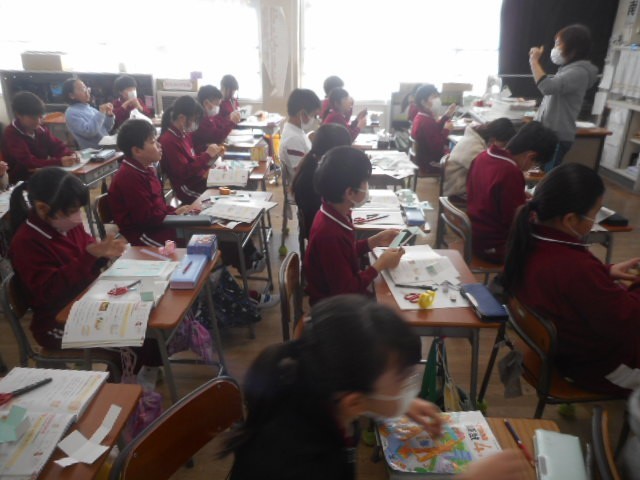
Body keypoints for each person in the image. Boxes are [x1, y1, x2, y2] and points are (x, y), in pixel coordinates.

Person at [222, 294, 524, 480]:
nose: (408, 386)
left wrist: (400, 402)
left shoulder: (309, 388)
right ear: (354, 402)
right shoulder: (307, 466)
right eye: (401, 380)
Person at [503, 163, 640, 394]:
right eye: (594, 214)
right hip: (598, 368)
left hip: (565, 353)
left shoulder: (530, 238)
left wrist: (605, 272)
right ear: (570, 220)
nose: (594, 221)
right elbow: (630, 323)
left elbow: (567, 285)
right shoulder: (575, 267)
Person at [304, 146, 404, 305]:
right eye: (365, 182)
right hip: (334, 308)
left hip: (342, 296)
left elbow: (344, 254)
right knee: (394, 305)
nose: (367, 186)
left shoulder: (333, 212)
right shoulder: (329, 234)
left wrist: (374, 241)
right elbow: (346, 290)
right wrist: (379, 265)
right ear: (349, 192)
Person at [466, 121, 557, 264]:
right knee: (554, 249)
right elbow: (515, 221)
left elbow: (486, 194)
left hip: (474, 235)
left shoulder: (483, 156)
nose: (533, 167)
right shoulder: (510, 172)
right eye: (536, 164)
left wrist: (518, 195)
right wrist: (534, 210)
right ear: (530, 156)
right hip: (495, 245)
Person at [109, 119, 200, 247]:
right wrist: (174, 214)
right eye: (153, 142)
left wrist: (177, 211)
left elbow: (158, 206)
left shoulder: (147, 168)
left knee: (199, 230)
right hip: (144, 235)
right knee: (195, 243)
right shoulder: (129, 177)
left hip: (158, 225)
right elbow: (147, 219)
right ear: (137, 151)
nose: (159, 145)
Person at [529, 24, 598, 171]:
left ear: (574, 47)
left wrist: (534, 61)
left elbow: (547, 87)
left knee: (546, 176)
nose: (555, 48)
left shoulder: (578, 72)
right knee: (538, 174)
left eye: (558, 44)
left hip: (557, 137)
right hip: (548, 134)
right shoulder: (567, 70)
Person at [158, 95, 223, 204]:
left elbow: (192, 159)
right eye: (194, 119)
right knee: (219, 199)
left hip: (197, 180)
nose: (195, 123)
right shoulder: (168, 141)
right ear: (182, 118)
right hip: (187, 189)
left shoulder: (184, 134)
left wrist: (209, 155)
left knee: (228, 189)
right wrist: (207, 155)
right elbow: (184, 173)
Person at [292, 123, 352, 240]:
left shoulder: (314, 164)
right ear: (334, 152)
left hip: (324, 229)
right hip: (325, 235)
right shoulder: (316, 179)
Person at [1, 91, 77, 183]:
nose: (38, 121)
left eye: (40, 117)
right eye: (33, 118)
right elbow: (28, 162)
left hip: (42, 175)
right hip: (21, 180)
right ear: (19, 115)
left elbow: (57, 147)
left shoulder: (40, 129)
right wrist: (59, 162)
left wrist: (70, 155)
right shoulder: (11, 133)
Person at [443, 118, 516, 200]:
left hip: (461, 185)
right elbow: (487, 176)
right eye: (504, 144)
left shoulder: (477, 140)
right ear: (494, 139)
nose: (504, 148)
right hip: (457, 191)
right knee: (503, 198)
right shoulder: (473, 147)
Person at [410, 84, 457, 175]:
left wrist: (446, 116)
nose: (437, 100)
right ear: (423, 102)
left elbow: (433, 131)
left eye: (437, 96)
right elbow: (438, 147)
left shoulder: (422, 116)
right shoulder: (425, 121)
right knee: (459, 164)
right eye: (433, 97)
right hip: (430, 164)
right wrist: (446, 130)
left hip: (426, 160)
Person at [279, 88, 322, 181]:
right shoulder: (293, 139)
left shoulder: (295, 130)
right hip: (304, 186)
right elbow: (303, 174)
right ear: (302, 114)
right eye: (314, 115)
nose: (315, 119)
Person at [62, 78, 115, 149]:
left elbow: (106, 128)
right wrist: (101, 112)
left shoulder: (90, 108)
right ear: (72, 95)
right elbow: (89, 132)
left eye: (86, 87)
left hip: (107, 143)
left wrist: (109, 115)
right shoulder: (71, 113)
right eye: (82, 89)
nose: (87, 91)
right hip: (95, 150)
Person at [192, 85, 242, 153]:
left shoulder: (209, 116)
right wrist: (232, 122)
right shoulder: (200, 120)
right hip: (203, 153)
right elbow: (218, 138)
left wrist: (229, 118)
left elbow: (220, 125)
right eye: (217, 104)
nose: (218, 107)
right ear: (206, 103)